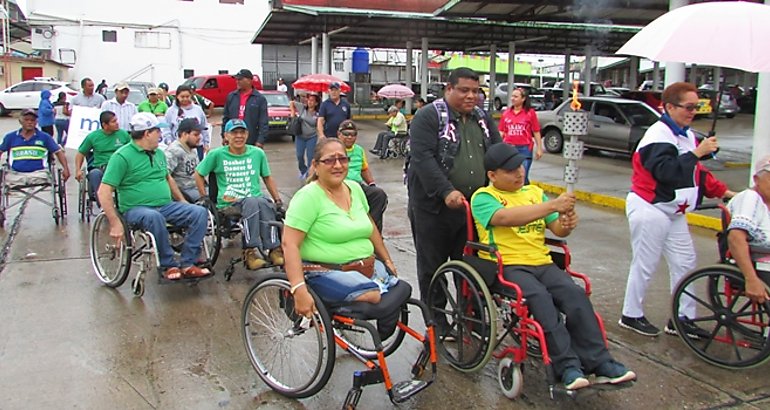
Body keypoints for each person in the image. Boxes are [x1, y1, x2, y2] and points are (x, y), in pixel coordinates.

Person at [471, 143, 636, 390]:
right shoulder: (484, 197)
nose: (518, 172)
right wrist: (553, 206)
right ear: (492, 175)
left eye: (519, 166)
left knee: (576, 296)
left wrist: (566, 222)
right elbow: (504, 218)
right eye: (509, 170)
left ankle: (600, 362)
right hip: (509, 266)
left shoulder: (535, 193)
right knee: (541, 300)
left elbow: (557, 228)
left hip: (543, 262)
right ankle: (567, 366)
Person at [619, 82, 735, 338]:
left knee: (685, 264)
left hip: (674, 212)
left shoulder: (686, 134)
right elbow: (666, 171)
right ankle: (631, 313)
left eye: (697, 107)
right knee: (645, 264)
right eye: (688, 107)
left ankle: (682, 319)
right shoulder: (657, 135)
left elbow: (696, 175)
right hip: (650, 208)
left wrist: (725, 193)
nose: (693, 112)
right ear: (669, 107)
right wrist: (696, 153)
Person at [407, 67, 502, 307]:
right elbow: (423, 158)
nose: (471, 96)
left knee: (472, 267)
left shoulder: (483, 118)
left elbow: (498, 153)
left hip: (472, 207)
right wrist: (446, 190)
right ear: (449, 89)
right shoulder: (428, 116)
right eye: (464, 90)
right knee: (432, 268)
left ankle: (469, 320)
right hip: (433, 208)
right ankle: (436, 325)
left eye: (476, 91)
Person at [283, 138, 399, 319]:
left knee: (401, 288)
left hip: (364, 267)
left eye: (342, 159)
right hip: (325, 271)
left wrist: (387, 260)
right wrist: (298, 288)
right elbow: (289, 244)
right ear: (316, 165)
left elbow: (371, 228)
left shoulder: (354, 188)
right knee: (373, 295)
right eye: (329, 160)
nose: (337, 165)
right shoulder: (307, 196)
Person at [98, 112, 210, 280]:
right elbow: (104, 191)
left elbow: (168, 178)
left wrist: (182, 201)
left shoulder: (158, 153)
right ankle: (168, 265)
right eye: (158, 131)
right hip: (136, 209)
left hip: (165, 205)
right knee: (154, 216)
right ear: (146, 133)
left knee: (199, 212)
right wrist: (114, 222)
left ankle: (188, 263)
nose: (161, 135)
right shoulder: (121, 157)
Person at [194, 119, 283, 270]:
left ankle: (274, 248)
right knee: (252, 202)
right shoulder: (216, 154)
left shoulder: (257, 153)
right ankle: (249, 251)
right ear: (226, 136)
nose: (239, 136)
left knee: (265, 203)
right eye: (234, 133)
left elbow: (267, 177)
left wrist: (277, 200)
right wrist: (204, 197)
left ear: (247, 135)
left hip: (254, 199)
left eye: (242, 132)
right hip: (230, 203)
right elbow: (198, 173)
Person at [726, 154, 770, 304]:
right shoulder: (750, 199)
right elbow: (735, 238)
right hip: (760, 266)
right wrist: (751, 279)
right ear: (757, 179)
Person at [337, 120, 388, 234]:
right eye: (346, 134)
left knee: (379, 195)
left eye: (353, 134)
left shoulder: (359, 150)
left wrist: (372, 184)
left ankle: (373, 230)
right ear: (339, 134)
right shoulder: (333, 149)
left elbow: (364, 169)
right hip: (339, 185)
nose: (350, 137)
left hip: (357, 186)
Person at [0, 109, 70, 186]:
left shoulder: (45, 137)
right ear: (20, 121)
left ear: (36, 122)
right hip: (15, 174)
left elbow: (58, 152)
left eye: (32, 120)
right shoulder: (10, 137)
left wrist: (66, 169)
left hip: (40, 174)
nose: (30, 122)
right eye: (26, 120)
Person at [75, 111, 130, 202]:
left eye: (116, 120)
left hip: (120, 167)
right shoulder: (93, 137)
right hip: (102, 168)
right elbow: (81, 153)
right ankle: (103, 204)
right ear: (105, 125)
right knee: (94, 174)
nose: (117, 123)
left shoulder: (124, 134)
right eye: (113, 121)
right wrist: (77, 170)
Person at [498, 87, 542, 185]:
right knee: (510, 175)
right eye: (512, 96)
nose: (513, 98)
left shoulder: (530, 113)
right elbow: (501, 131)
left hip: (524, 149)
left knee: (522, 176)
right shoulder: (506, 113)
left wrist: (539, 148)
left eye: (516, 96)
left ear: (523, 99)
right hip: (509, 148)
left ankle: (526, 195)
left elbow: (536, 131)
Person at [222, 68, 269, 147]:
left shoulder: (259, 99)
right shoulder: (231, 97)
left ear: (249, 81)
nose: (237, 82)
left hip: (251, 139)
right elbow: (226, 118)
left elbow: (263, 122)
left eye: (240, 79)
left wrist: (260, 140)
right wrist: (224, 135)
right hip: (233, 138)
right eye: (236, 80)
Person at [163, 85, 210, 159]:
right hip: (178, 146)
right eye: (182, 97)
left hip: (196, 146)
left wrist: (206, 143)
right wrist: (169, 142)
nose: (185, 99)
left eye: (187, 96)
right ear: (177, 96)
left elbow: (204, 127)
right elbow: (166, 128)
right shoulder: (171, 111)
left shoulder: (198, 109)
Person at [165, 118, 205, 202]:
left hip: (196, 186)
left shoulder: (192, 148)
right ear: (184, 134)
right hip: (185, 190)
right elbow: (165, 176)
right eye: (196, 135)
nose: (199, 138)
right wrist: (182, 200)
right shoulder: (174, 151)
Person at [289, 92, 319, 180]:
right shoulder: (302, 108)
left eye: (312, 101)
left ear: (316, 103)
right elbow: (291, 103)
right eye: (309, 100)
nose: (310, 102)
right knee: (299, 156)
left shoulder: (318, 113)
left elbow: (320, 124)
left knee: (310, 157)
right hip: (300, 137)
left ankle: (309, 174)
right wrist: (293, 112)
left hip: (312, 137)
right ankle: (303, 170)